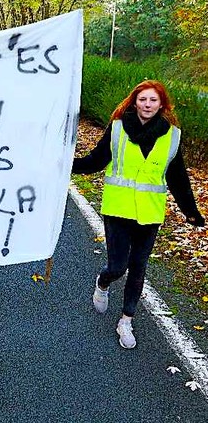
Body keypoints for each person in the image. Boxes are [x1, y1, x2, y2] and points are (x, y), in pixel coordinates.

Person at [72, 79, 205, 349]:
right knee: (118, 266)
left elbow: (177, 177)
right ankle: (103, 281)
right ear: (135, 101)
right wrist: (64, 165)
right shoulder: (119, 128)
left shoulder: (172, 135)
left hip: (149, 213)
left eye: (153, 100)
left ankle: (126, 320)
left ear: (162, 104)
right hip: (118, 209)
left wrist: (191, 212)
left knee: (138, 267)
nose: (147, 104)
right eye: (143, 99)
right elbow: (96, 161)